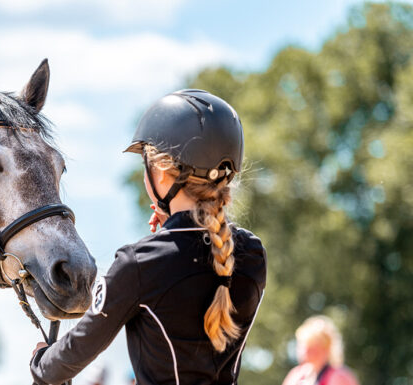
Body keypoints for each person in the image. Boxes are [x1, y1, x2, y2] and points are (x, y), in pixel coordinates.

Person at [30, 89, 267, 385]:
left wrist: (40, 359)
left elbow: (65, 360)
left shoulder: (139, 263)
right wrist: (174, 225)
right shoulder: (252, 254)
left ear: (162, 172)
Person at [282, 316, 360, 385]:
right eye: (303, 345)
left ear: (326, 349)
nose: (304, 351)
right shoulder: (297, 376)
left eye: (312, 347)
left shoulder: (340, 376)